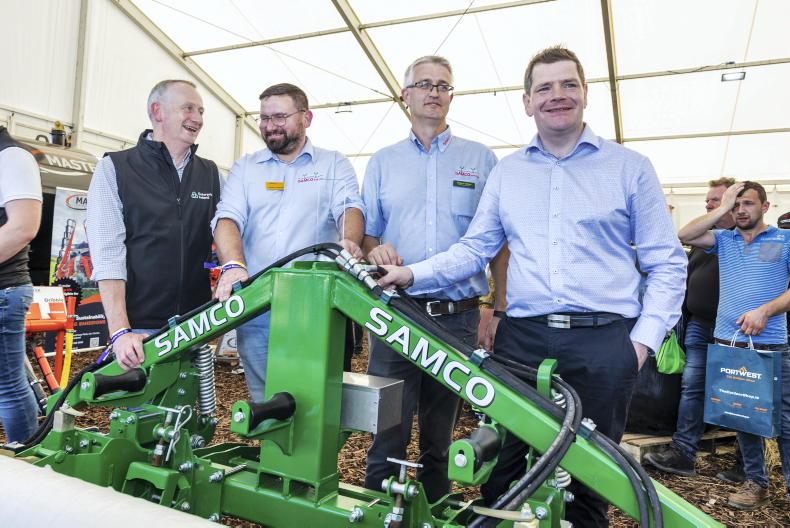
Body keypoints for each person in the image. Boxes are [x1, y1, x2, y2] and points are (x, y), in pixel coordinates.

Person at [376, 46, 686, 526]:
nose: (556, 95)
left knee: (590, 480)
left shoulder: (629, 167)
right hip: (523, 340)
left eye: (568, 84)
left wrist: (640, 345)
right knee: (504, 470)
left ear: (585, 93)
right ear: (527, 102)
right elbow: (474, 249)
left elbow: (667, 262)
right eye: (544, 88)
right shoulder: (509, 172)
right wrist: (412, 273)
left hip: (603, 342)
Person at [360, 55, 498, 502]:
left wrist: (495, 309)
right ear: (405, 95)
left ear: (451, 95)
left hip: (458, 317)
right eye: (424, 84)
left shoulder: (481, 160)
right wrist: (374, 249)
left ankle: (435, 508)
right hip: (395, 314)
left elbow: (498, 243)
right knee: (387, 431)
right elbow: (367, 235)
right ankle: (378, 510)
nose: (434, 92)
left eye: (443, 85)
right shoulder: (383, 162)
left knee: (441, 436)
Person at [212, 83, 364, 402]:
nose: (270, 126)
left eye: (280, 117)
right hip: (256, 308)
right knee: (265, 403)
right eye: (264, 118)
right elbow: (227, 218)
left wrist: (349, 241)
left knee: (315, 404)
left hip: (314, 309)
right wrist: (233, 265)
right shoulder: (246, 168)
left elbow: (349, 208)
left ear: (306, 117)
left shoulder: (333, 164)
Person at [87, 80, 221, 370]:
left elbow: (230, 232)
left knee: (192, 400)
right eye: (188, 108)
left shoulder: (211, 174)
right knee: (143, 401)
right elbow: (108, 256)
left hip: (197, 326)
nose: (197, 118)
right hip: (140, 332)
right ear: (157, 111)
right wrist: (121, 331)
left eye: (201, 111)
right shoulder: (116, 168)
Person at [678, 181, 790, 510]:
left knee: (785, 421)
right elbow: (685, 234)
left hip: (770, 346)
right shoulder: (724, 240)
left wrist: (765, 311)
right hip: (728, 344)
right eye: (736, 204)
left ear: (765, 207)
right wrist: (723, 206)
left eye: (748, 203)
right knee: (742, 417)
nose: (741, 210)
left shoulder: (784, 240)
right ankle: (756, 483)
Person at [645, 178, 745, 482]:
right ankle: (683, 453)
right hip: (700, 325)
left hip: (734, 329)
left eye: (716, 199)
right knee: (693, 387)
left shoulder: (743, 238)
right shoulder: (708, 237)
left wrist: (726, 207)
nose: (709, 204)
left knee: (739, 392)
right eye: (709, 200)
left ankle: (747, 465)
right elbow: (683, 236)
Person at [0, 126, 42, 443]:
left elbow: (23, 227)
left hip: (4, 289)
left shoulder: (12, 156)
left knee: (9, 387)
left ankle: (27, 459)